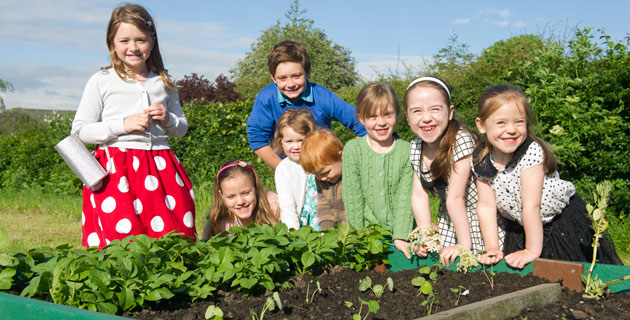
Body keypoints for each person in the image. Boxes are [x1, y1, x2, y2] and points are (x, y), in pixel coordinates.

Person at [72, 4, 196, 248]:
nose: (133, 47)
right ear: (112, 43)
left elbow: (182, 129)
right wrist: (122, 125)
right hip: (117, 169)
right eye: (124, 40)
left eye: (141, 40)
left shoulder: (164, 82)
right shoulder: (102, 80)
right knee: (121, 233)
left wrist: (168, 119)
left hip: (161, 165)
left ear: (152, 41)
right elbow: (79, 130)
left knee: (172, 230)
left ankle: (170, 278)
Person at [473, 84, 622, 268]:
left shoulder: (531, 153)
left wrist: (532, 251)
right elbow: (486, 206)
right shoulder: (482, 159)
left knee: (567, 278)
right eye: (501, 123)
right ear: (481, 125)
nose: (511, 129)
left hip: (558, 222)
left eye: (519, 122)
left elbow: (531, 207)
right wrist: (492, 247)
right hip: (522, 227)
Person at [404, 77, 506, 267]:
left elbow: (456, 197)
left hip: (477, 216)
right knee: (444, 265)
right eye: (417, 111)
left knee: (481, 265)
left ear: (449, 112)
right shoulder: (416, 146)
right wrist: (425, 237)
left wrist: (463, 244)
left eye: (435, 109)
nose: (426, 117)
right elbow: (419, 195)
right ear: (408, 117)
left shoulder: (461, 140)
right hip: (450, 217)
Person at [246, 40, 366, 170]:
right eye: (282, 78)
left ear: (308, 72)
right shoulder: (266, 98)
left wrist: (348, 161)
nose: (290, 84)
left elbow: (361, 124)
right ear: (273, 78)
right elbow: (257, 139)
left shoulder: (322, 97)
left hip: (322, 171)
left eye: (297, 76)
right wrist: (285, 171)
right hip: (288, 170)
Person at [342, 83, 414, 258]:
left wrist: (400, 236)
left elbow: (406, 198)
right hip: (367, 234)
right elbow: (353, 198)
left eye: (387, 114)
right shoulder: (353, 149)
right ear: (361, 118)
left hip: (402, 234)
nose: (381, 122)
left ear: (397, 114)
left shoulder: (407, 150)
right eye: (372, 116)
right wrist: (358, 237)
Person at [202, 160, 279, 239]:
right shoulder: (218, 224)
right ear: (221, 195)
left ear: (256, 188)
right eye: (231, 196)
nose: (240, 202)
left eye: (245, 193)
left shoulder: (274, 206)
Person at [273, 108, 320, 230]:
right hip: (303, 224)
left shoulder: (320, 160)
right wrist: (293, 234)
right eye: (289, 141)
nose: (296, 146)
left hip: (325, 218)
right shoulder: (283, 169)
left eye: (301, 140)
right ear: (281, 142)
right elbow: (287, 207)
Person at [300, 129, 346, 229]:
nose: (322, 178)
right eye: (317, 174)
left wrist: (346, 227)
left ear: (340, 156)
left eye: (326, 172)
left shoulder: (351, 176)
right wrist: (327, 231)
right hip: (337, 229)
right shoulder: (321, 180)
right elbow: (324, 207)